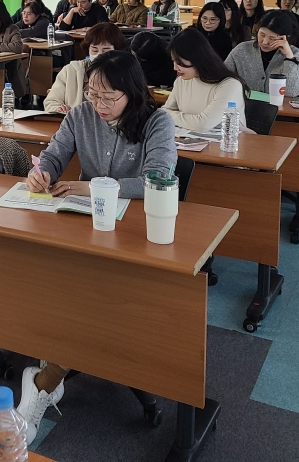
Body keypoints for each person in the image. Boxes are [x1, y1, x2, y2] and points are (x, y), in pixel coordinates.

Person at [20, 50, 177, 442]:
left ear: (133, 92)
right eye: (93, 94)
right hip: (85, 227)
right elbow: (54, 157)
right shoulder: (80, 115)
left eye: (110, 98)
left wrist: (93, 188)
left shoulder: (157, 122)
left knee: (89, 297)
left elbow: (158, 176)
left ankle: (43, 381)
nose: (99, 105)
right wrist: (39, 174)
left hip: (137, 235)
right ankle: (51, 362)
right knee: (48, 279)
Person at [164, 28, 248, 131]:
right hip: (191, 142)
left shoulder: (230, 85)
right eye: (174, 61)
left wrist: (170, 115)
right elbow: (164, 113)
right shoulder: (180, 81)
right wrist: (169, 114)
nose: (175, 67)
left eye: (179, 62)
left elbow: (203, 124)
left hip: (228, 143)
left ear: (197, 58)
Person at [44, 22, 125, 113]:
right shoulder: (71, 70)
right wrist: (59, 109)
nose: (99, 55)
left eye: (106, 51)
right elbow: (51, 102)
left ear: (117, 50)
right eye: (94, 50)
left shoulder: (125, 73)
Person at [225, 10, 299, 97]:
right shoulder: (242, 50)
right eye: (262, 34)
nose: (265, 42)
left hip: (279, 109)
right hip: (244, 106)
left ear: (286, 37)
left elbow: (291, 92)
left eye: (272, 38)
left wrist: (289, 58)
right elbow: (223, 78)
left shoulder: (296, 55)